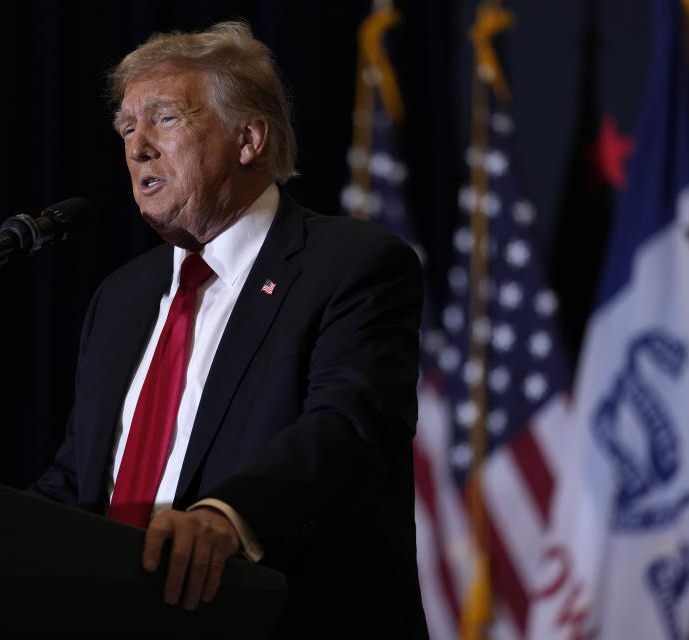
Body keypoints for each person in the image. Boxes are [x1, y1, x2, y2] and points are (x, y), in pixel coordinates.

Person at [31, 21, 429, 638]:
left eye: (163, 119)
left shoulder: (351, 264)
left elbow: (349, 429)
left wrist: (227, 517)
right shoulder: (122, 298)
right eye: (127, 128)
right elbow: (80, 477)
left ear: (248, 138)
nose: (137, 147)